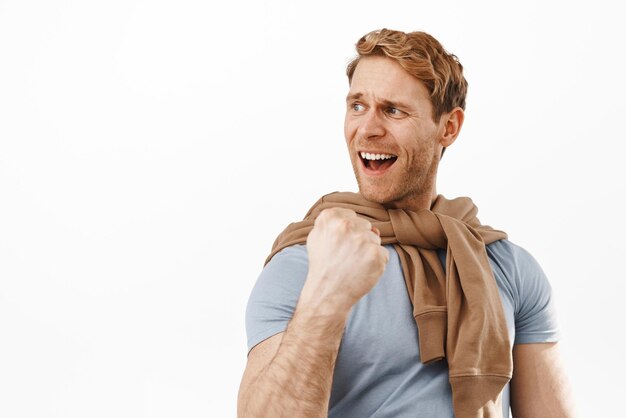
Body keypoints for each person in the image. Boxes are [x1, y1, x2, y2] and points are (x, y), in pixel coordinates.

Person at [237, 28, 576, 418]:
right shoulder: (302, 264)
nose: (368, 129)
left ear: (448, 127)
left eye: (393, 110)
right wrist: (325, 296)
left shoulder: (509, 268)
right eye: (358, 106)